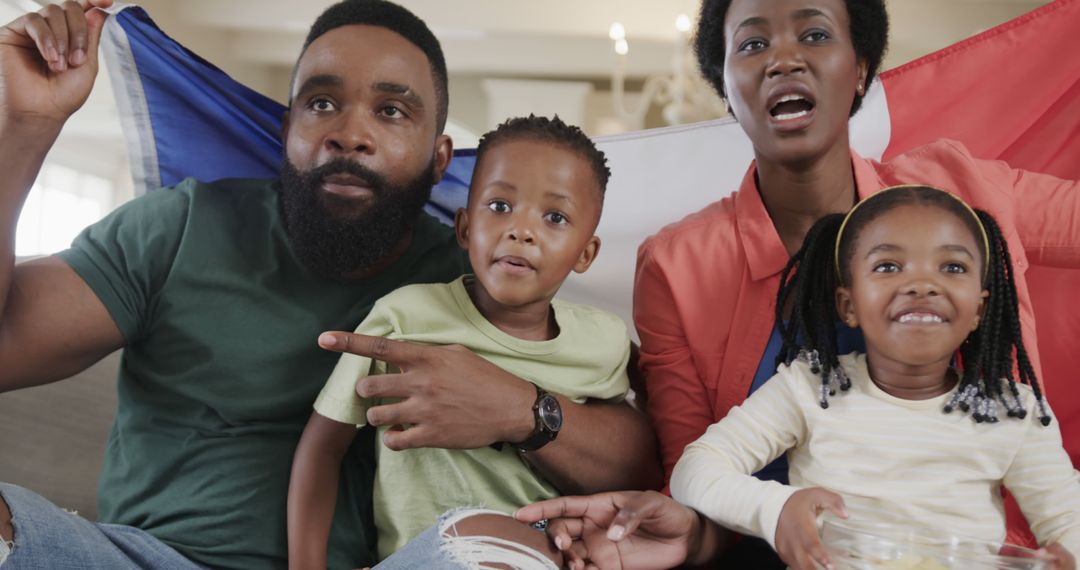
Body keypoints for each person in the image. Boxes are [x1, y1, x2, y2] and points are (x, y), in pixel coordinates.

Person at [0, 1, 659, 568]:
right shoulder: (180, 226)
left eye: (392, 112)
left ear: (439, 159)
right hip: (145, 557)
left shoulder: (477, 278)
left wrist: (522, 409)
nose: (350, 134)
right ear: (288, 129)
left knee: (500, 548)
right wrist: (26, 128)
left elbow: (634, 456)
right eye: (322, 103)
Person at [633, 0, 1080, 563]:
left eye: (815, 34)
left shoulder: (963, 189)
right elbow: (695, 483)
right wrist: (760, 517)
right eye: (752, 44)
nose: (784, 60)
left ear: (861, 67)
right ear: (724, 84)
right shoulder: (676, 266)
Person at [518, 186, 1080, 570]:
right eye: (888, 267)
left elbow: (1068, 521)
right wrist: (776, 509)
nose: (923, 284)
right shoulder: (812, 388)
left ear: (981, 309)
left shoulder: (1014, 411)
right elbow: (697, 470)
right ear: (848, 304)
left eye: (951, 267)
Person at [288, 115, 632, 566]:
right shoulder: (405, 317)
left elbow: (625, 467)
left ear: (585, 254)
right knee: (478, 533)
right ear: (466, 228)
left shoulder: (604, 342)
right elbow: (322, 447)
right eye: (500, 206)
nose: (521, 230)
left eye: (554, 217)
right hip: (425, 557)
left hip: (547, 557)